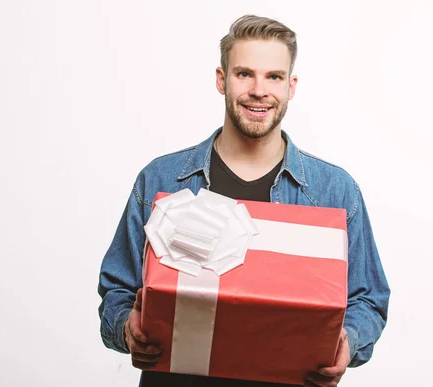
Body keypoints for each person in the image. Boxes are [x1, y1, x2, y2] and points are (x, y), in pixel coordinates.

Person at [97, 14, 390, 387]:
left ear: (291, 86)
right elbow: (118, 289)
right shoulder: (162, 180)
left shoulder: (334, 192)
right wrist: (127, 326)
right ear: (221, 80)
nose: (259, 90)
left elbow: (368, 300)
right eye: (244, 74)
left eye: (274, 77)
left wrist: (348, 341)